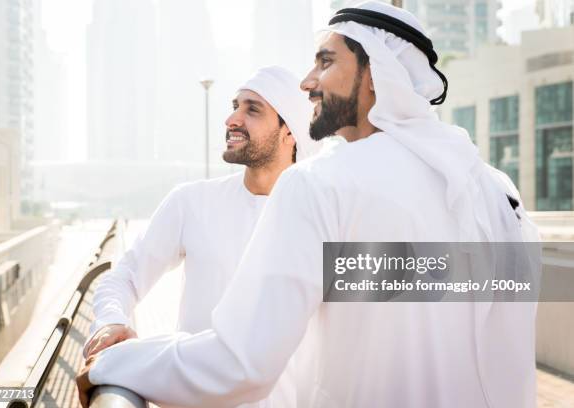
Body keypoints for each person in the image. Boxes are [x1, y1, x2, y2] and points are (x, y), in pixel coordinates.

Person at [78, 2, 539, 407]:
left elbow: (241, 363)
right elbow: (504, 351)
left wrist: (116, 364)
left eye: (325, 62)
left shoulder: (322, 184)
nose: (307, 81)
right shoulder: (493, 190)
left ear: (377, 74)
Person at [80, 65, 317, 408]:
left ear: (289, 132)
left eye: (252, 109)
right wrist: (110, 322)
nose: (232, 119)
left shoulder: (319, 217)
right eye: (235, 105)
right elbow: (125, 276)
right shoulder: (192, 202)